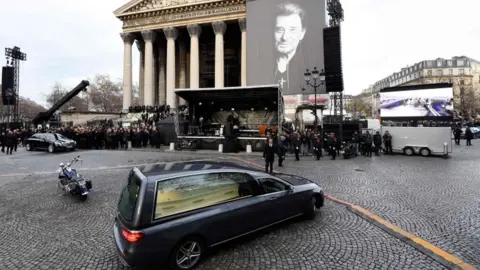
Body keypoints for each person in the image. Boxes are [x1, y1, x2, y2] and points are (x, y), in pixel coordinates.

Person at [272, 2, 306, 94]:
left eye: (292, 30)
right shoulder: (261, 67)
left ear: (302, 33)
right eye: (279, 30)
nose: (284, 37)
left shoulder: (307, 69)